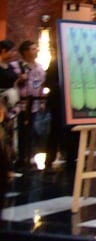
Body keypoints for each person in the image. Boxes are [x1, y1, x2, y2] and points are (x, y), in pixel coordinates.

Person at [12, 40, 47, 169]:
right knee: (20, 131)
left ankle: (28, 156)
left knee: (32, 131)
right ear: (25, 51)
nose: (36, 51)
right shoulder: (16, 66)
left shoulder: (39, 67)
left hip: (34, 104)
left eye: (36, 48)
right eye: (33, 49)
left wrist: (42, 100)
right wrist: (20, 79)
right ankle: (18, 157)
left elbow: (41, 84)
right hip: (18, 104)